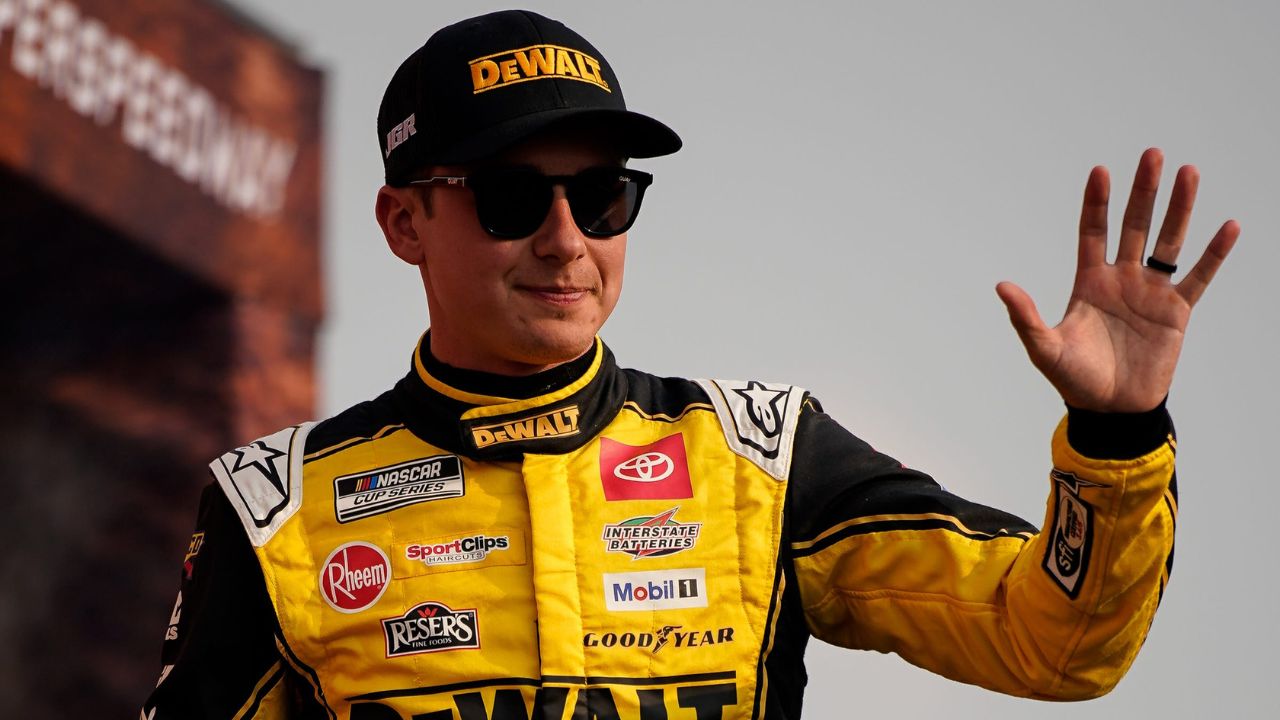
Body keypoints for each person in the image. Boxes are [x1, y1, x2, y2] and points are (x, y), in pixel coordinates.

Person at [141, 9, 1237, 720]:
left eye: (604, 194)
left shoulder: (759, 458)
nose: (567, 240)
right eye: (515, 197)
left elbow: (1052, 644)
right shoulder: (275, 508)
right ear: (403, 222)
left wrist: (1117, 435)